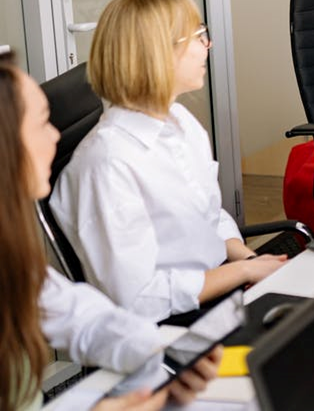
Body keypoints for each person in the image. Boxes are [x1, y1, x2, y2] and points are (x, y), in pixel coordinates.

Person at [0, 53, 219, 411]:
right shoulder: (106, 158)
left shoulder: (10, 253)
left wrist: (162, 352)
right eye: (42, 124)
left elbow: (81, 318)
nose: (56, 135)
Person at [51, 0, 286, 321]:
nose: (208, 45)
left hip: (220, 288)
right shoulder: (106, 164)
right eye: (199, 35)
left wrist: (252, 262)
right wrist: (244, 274)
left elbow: (209, 218)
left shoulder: (179, 122)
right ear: (160, 54)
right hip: (173, 323)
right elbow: (139, 299)